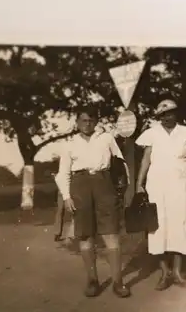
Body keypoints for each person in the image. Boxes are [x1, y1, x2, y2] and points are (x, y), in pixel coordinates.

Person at [55, 106, 131, 298]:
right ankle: (92, 280)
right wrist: (66, 196)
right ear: (77, 122)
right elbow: (63, 173)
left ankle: (118, 281)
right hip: (80, 186)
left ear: (96, 122)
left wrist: (121, 189)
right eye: (83, 120)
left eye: (90, 120)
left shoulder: (106, 138)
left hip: (104, 184)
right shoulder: (69, 144)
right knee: (86, 235)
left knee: (111, 233)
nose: (87, 124)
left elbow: (121, 164)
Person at [135, 99, 186, 291]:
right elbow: (146, 159)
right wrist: (139, 184)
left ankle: (178, 272)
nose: (168, 117)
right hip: (157, 186)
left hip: (180, 184)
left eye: (171, 113)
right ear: (159, 117)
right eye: (164, 115)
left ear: (176, 114)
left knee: (179, 226)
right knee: (158, 228)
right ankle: (164, 272)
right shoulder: (151, 133)